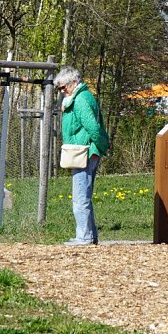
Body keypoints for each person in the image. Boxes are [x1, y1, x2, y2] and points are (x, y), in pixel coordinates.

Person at [54, 66, 110, 245]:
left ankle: (83, 237)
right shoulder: (79, 98)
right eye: (59, 89)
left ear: (74, 83)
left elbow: (93, 128)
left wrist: (101, 146)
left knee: (80, 198)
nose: (62, 91)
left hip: (84, 152)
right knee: (83, 196)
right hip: (86, 151)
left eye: (63, 87)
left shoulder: (80, 101)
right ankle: (90, 235)